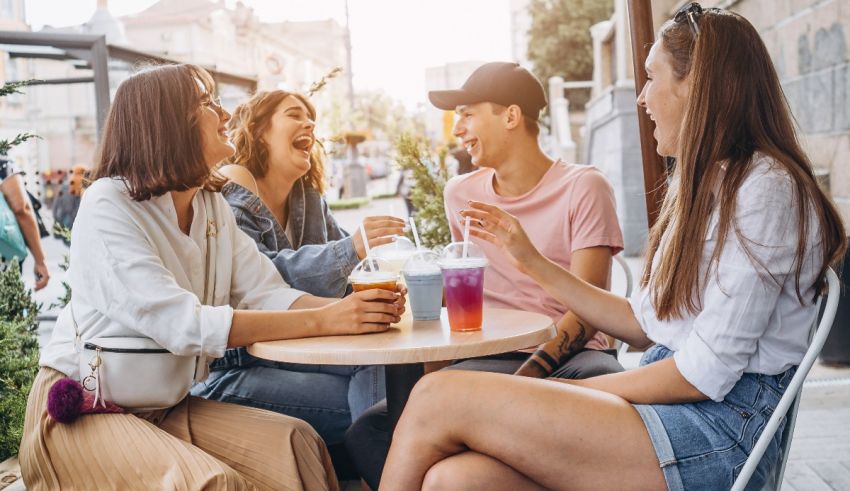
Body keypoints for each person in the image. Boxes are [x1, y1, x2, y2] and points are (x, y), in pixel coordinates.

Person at [379, 4, 848, 490]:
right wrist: (531, 260)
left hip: (720, 434)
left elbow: (703, 375)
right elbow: (645, 325)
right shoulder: (711, 184)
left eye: (651, 76)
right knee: (456, 481)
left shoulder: (766, 189)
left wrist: (570, 393)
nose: (641, 98)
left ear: (698, 84)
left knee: (439, 395)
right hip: (674, 412)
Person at [20, 64, 406, 490]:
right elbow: (183, 324)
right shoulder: (108, 203)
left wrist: (356, 310)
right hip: (83, 407)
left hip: (164, 404)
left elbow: (267, 293)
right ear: (166, 124)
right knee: (214, 483)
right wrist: (328, 319)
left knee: (297, 444)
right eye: (208, 103)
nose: (225, 114)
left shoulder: (211, 206)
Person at [345, 61, 625, 489]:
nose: (458, 128)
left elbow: (588, 312)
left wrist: (516, 388)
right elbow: (457, 299)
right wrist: (432, 385)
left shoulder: (584, 187)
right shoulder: (461, 194)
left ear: (510, 116)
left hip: (573, 359)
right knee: (371, 431)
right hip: (487, 356)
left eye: (467, 113)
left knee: (602, 389)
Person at [190, 89, 406, 447]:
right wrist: (350, 249)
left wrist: (385, 286)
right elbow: (263, 283)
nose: (309, 123)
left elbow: (353, 278)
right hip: (241, 363)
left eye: (312, 119)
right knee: (387, 405)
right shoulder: (233, 184)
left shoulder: (308, 200)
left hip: (300, 348)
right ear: (259, 130)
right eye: (294, 114)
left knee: (384, 374)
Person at [0, 157, 49, 289]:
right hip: (4, 261)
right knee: (7, 306)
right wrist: (40, 261)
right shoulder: (3, 165)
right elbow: (22, 210)